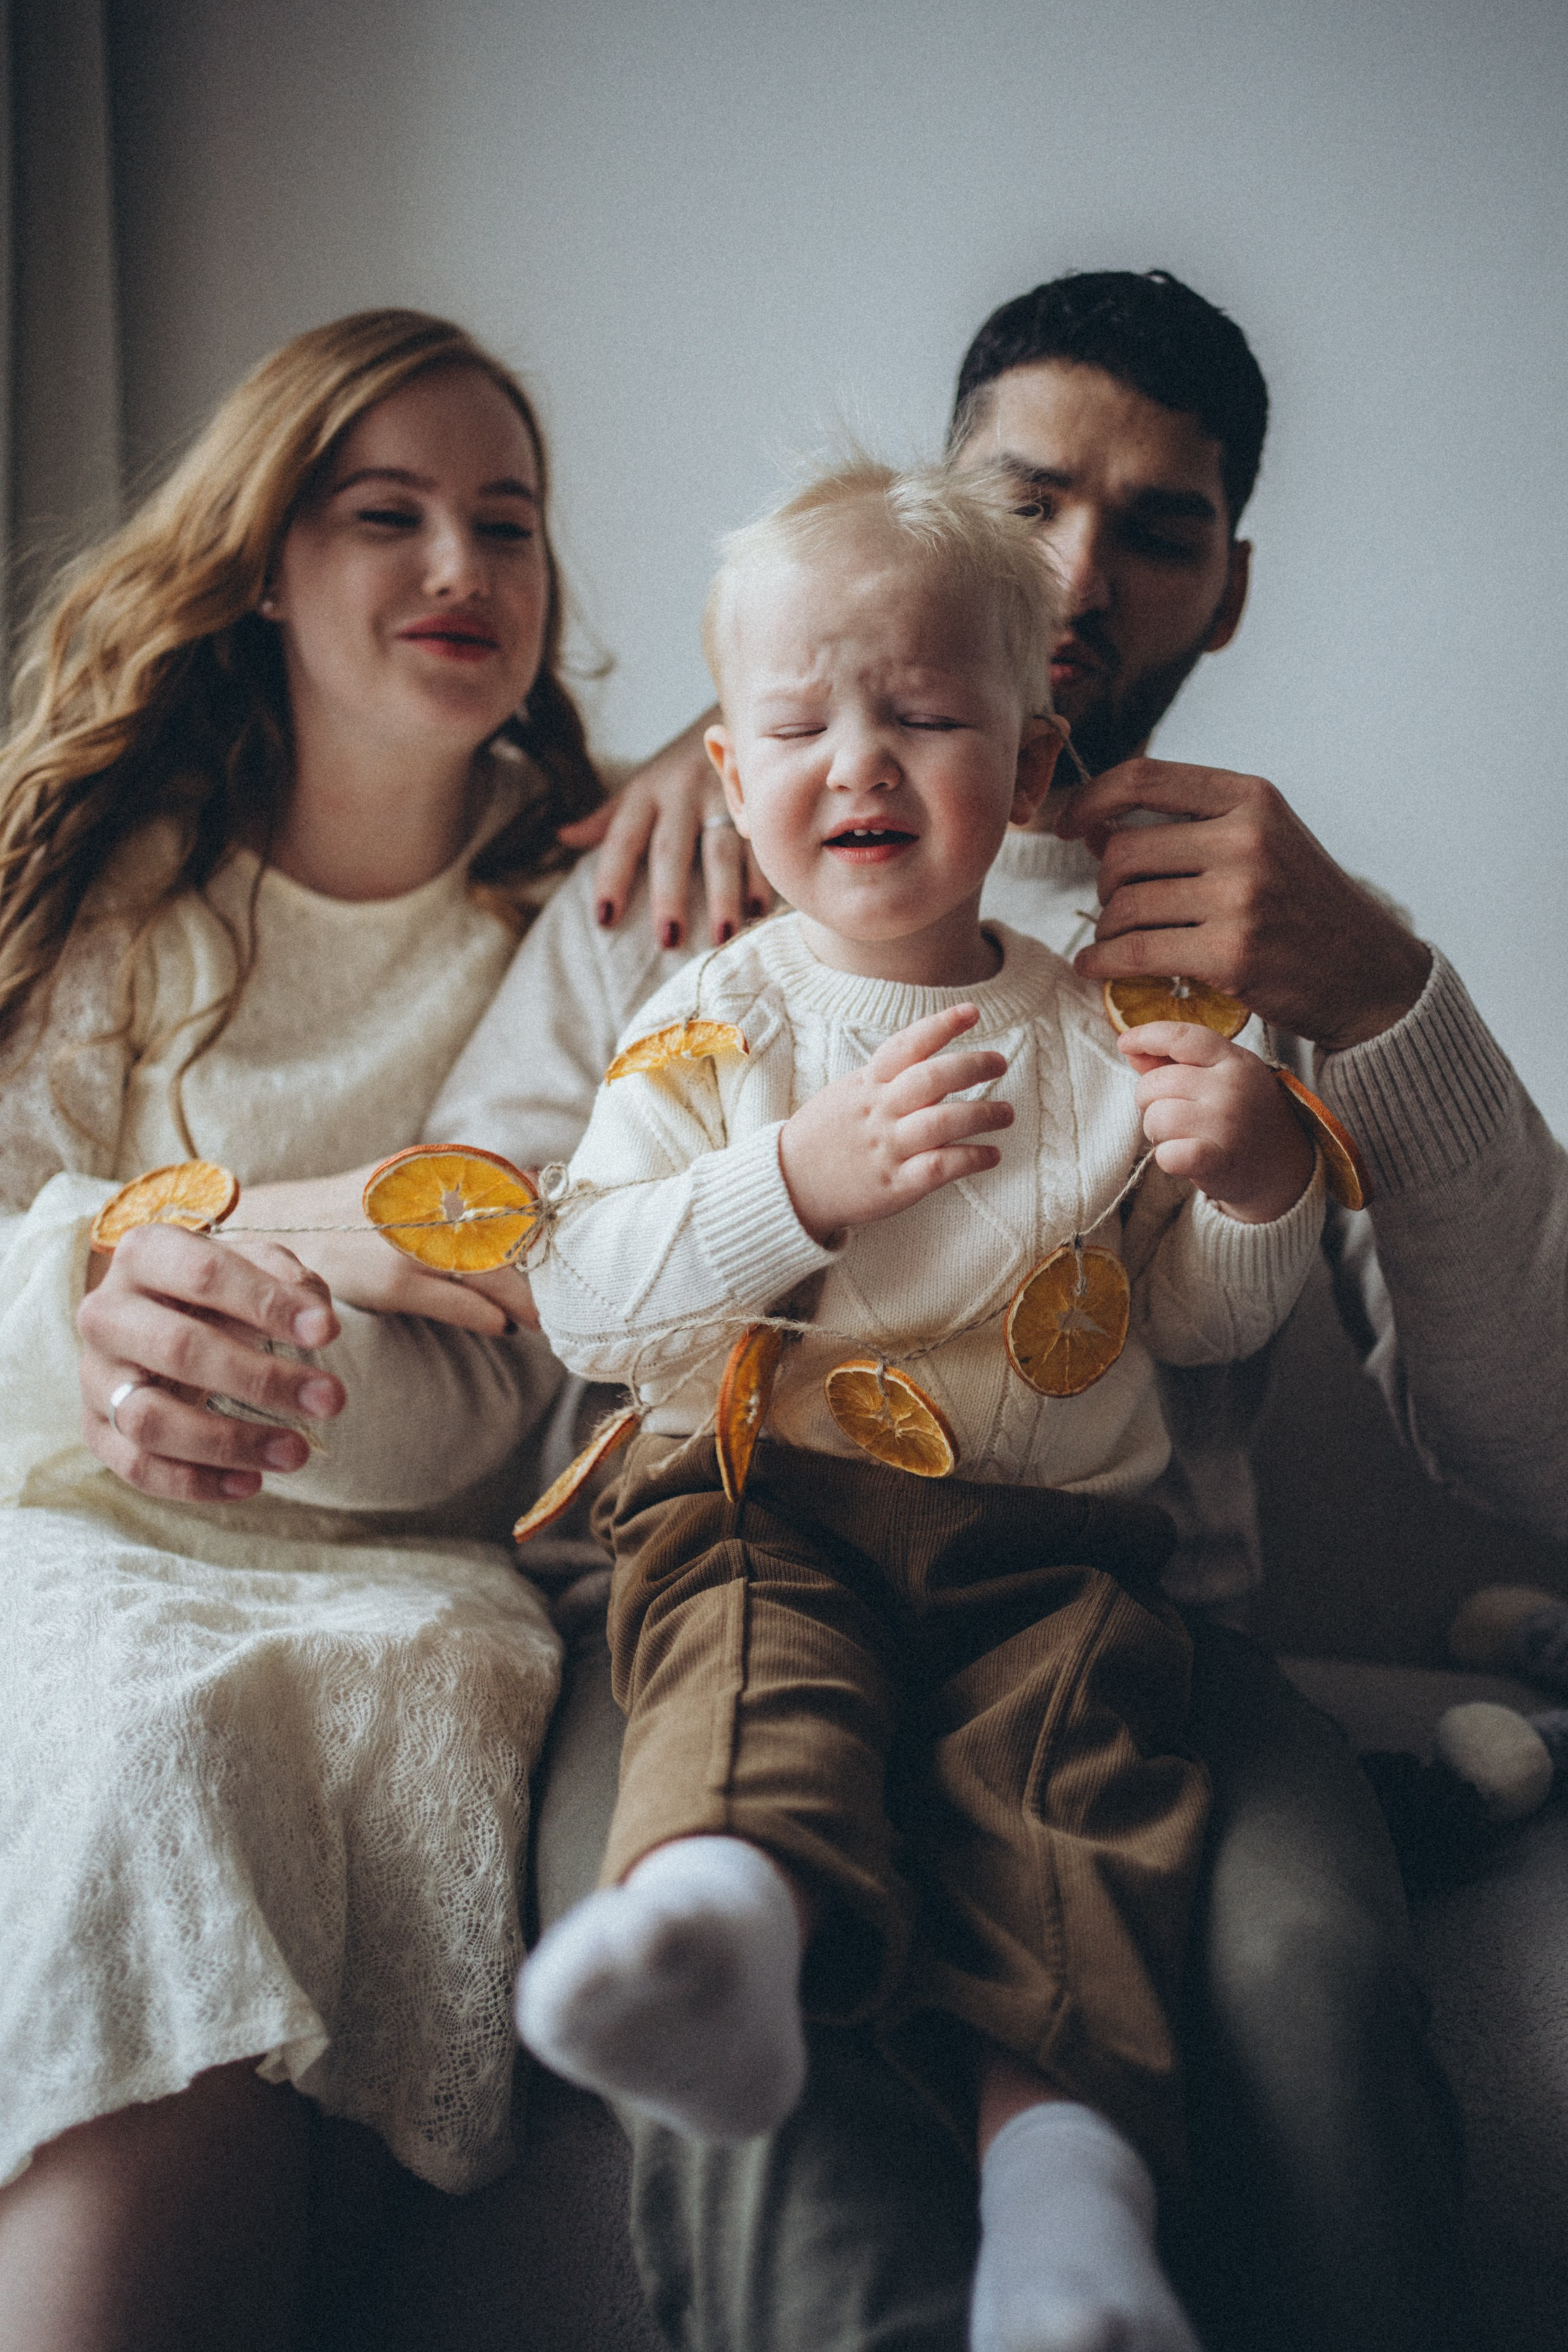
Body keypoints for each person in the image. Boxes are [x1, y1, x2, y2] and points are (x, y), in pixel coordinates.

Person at [429, 268, 1566, 2352]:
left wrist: (1390, 1006)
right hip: (747, 1575)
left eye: (1161, 526)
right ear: (929, 503)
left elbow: (1527, 1447)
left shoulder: (1246, 934)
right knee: (761, 2041)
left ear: (1229, 589)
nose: (1076, 570)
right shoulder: (697, 887)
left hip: (1114, 1620)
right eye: (1025, 497)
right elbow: (503, 1274)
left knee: (1308, 1988)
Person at [513, 457, 1329, 2352]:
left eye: (927, 717)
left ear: (1034, 767)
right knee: (736, 1674)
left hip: (1053, 1560)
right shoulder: (712, 1023)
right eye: (801, 724)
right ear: (729, 780)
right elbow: (584, 1302)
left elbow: (1197, 1329)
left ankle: (1068, 2225)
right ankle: (723, 1923)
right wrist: (789, 1181)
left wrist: (1263, 1179)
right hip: (764, 1503)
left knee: (1069, 1821)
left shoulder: (1115, 1032)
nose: (860, 765)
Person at [0, 307, 617, 2350]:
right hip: (74, 1531)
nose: (465, 569)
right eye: (391, 515)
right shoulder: (109, 898)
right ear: (266, 561)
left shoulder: (580, 939)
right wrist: (143, 1287)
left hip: (411, 1577)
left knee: (379, 1697)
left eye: (508, 525)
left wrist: (248, 1356)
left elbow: (507, 1377)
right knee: (149, 1734)